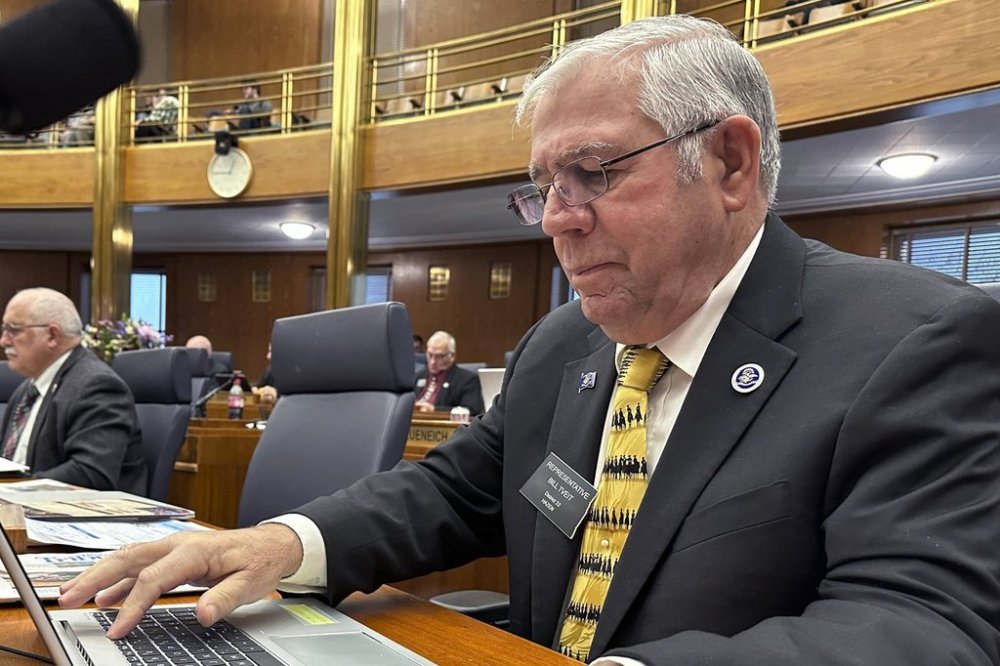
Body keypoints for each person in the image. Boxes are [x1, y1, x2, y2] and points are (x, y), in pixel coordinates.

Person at [60, 16, 1000, 665]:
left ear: (730, 162)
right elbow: (455, 489)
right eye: (543, 188)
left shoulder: (915, 342)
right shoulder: (567, 346)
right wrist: (281, 541)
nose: (557, 220)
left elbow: (922, 625)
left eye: (591, 174)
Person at [0, 288, 145, 493]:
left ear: (51, 335)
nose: (4, 341)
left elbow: (90, 474)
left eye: (13, 330)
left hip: (83, 518)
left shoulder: (97, 386)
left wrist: (12, 490)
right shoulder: (27, 389)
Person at [413, 330, 484, 415]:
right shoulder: (417, 376)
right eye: (430, 355)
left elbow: (471, 410)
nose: (432, 362)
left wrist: (434, 410)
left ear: (452, 356)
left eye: (439, 356)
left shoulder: (467, 380)